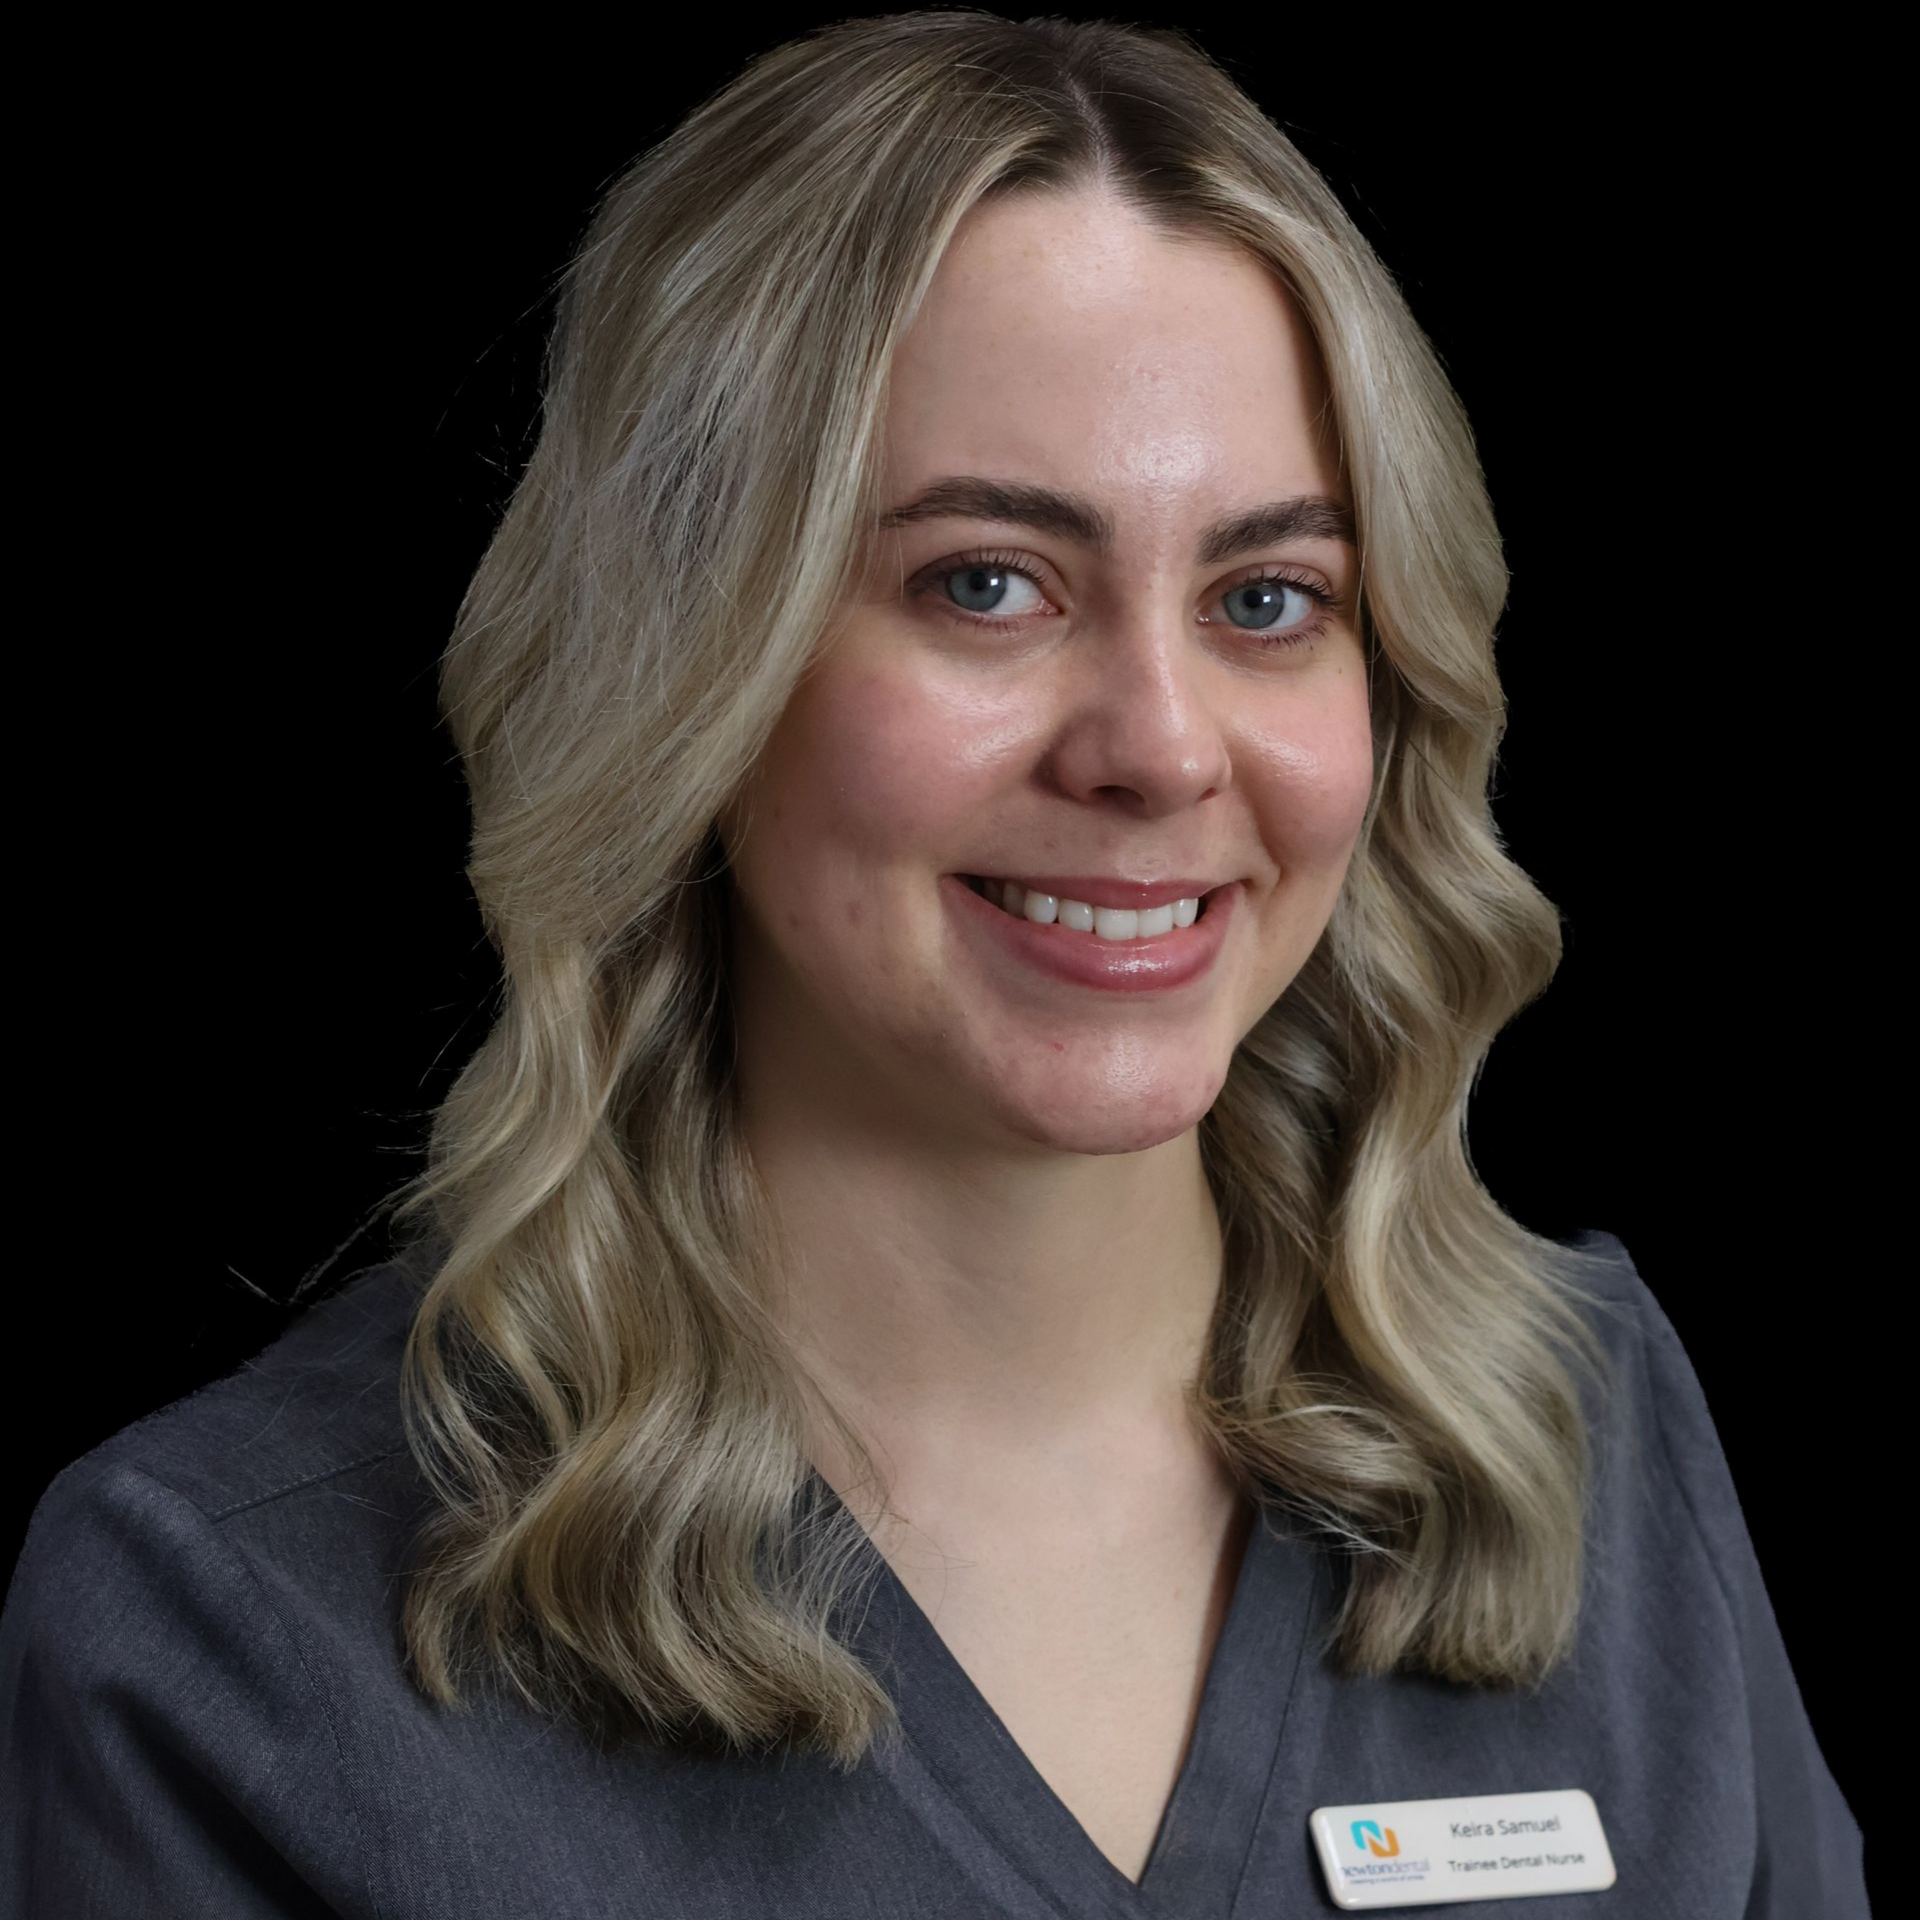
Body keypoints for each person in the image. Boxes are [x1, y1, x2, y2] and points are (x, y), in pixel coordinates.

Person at [0, 13, 1868, 1917]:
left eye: (1268, 600)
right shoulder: (234, 1638)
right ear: (688, 672)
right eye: (986, 581)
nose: (1157, 743)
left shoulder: (1589, 1439)